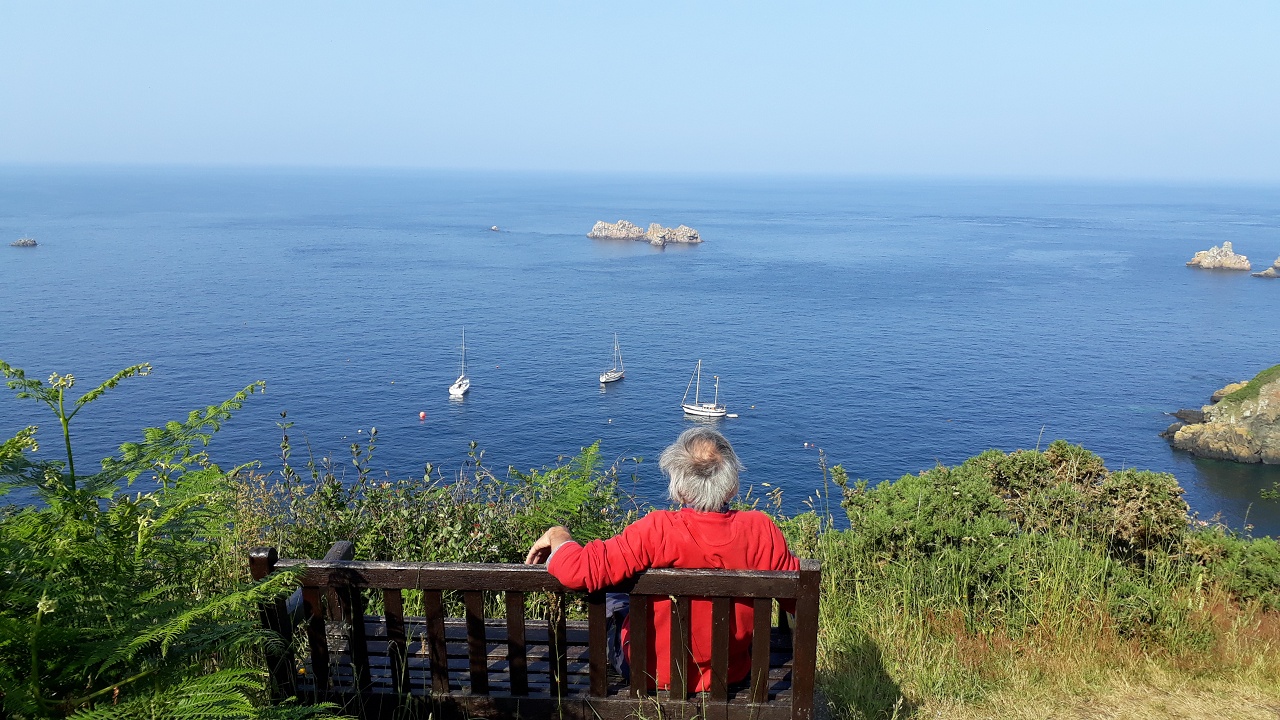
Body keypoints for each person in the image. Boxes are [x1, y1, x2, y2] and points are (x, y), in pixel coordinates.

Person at [524, 427, 800, 692]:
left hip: (649, 671)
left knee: (612, 598)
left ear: (679, 488)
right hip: (728, 673)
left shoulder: (658, 529)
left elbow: (578, 571)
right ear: (731, 485)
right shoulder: (760, 530)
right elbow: (796, 597)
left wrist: (558, 534)